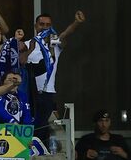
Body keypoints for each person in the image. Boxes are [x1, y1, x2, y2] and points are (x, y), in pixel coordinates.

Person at [26, 11, 86, 144]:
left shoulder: (54, 45)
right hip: (28, 92)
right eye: (41, 24)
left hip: (47, 92)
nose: (44, 27)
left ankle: (40, 150)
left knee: (41, 126)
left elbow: (65, 34)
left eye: (48, 25)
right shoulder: (27, 44)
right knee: (28, 124)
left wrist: (76, 22)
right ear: (35, 26)